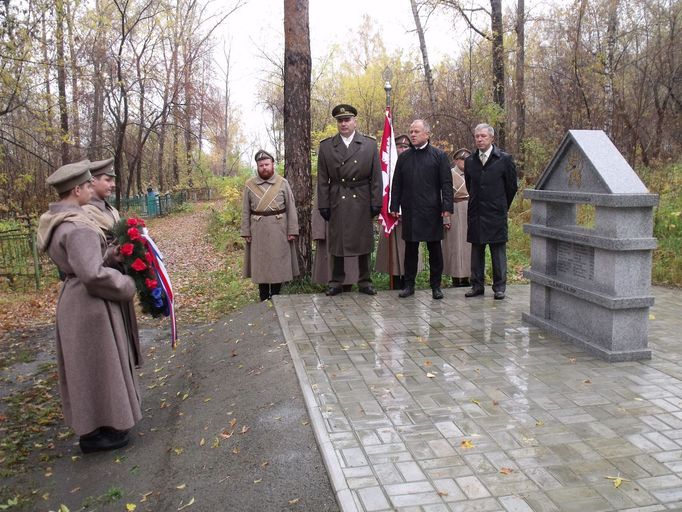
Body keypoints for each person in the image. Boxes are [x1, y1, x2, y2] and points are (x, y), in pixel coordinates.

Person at [37, 160, 141, 453]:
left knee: (88, 367)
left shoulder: (57, 220)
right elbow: (92, 274)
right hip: (90, 305)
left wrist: (110, 254)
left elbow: (82, 261)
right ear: (79, 189)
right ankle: (99, 433)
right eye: (86, 185)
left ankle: (96, 428)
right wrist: (126, 285)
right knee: (98, 366)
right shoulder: (78, 226)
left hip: (75, 299)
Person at [317, 103, 383, 296]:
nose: (344, 124)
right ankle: (336, 281)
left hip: (361, 197)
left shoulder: (369, 145)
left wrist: (375, 201)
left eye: (347, 120)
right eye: (340, 121)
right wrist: (323, 204)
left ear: (355, 121)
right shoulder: (327, 146)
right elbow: (322, 180)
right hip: (338, 197)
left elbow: (376, 177)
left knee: (363, 241)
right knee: (337, 242)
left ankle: (365, 281)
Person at [82, 157, 142, 366]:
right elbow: (92, 255)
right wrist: (116, 251)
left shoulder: (110, 210)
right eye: (107, 179)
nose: (112, 184)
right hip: (104, 287)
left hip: (119, 282)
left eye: (112, 180)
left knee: (123, 337)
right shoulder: (86, 213)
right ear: (92, 182)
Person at [390, 119, 454, 299]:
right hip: (410, 210)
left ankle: (436, 286)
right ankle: (409, 285)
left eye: (416, 131)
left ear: (427, 134)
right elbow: (397, 184)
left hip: (432, 210)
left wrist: (447, 207)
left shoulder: (439, 155)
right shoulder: (404, 157)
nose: (413, 134)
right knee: (410, 250)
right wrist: (394, 205)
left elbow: (446, 184)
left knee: (435, 250)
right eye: (411, 131)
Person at [464, 123, 518, 300]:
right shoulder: (470, 161)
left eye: (483, 136)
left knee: (498, 251)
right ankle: (477, 285)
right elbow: (469, 185)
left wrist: (501, 205)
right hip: (477, 212)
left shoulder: (504, 159)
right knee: (476, 251)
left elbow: (511, 187)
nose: (479, 139)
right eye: (477, 136)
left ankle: (499, 287)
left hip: (496, 213)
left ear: (492, 138)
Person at [241, 149, 299, 301]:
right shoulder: (249, 185)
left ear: (273, 164)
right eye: (261, 165)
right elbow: (245, 210)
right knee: (261, 265)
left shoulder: (283, 183)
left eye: (267, 164)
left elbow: (291, 207)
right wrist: (246, 231)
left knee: (278, 263)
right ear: (257, 167)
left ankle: (277, 296)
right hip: (258, 231)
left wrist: (292, 229)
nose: (264, 168)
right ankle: (263, 297)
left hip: (279, 229)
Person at [375, 134, 423, 289]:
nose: (402, 149)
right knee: (393, 253)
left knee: (410, 250)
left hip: (412, 214)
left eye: (405, 146)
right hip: (391, 215)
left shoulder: (418, 162)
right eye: (399, 146)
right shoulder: (387, 166)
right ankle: (395, 281)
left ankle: (409, 281)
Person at [311, 193, 359, 291]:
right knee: (331, 258)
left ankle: (347, 285)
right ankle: (333, 285)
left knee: (349, 260)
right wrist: (318, 232)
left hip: (351, 223)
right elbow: (319, 204)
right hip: (330, 223)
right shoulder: (326, 179)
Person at [442, 148, 472, 287]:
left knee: (469, 246)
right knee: (454, 246)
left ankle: (468, 277)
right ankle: (455, 277)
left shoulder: (473, 173)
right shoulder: (449, 174)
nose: (465, 162)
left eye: (467, 159)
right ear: (455, 160)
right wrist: (445, 218)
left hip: (470, 210)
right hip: (453, 210)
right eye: (462, 159)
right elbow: (443, 196)